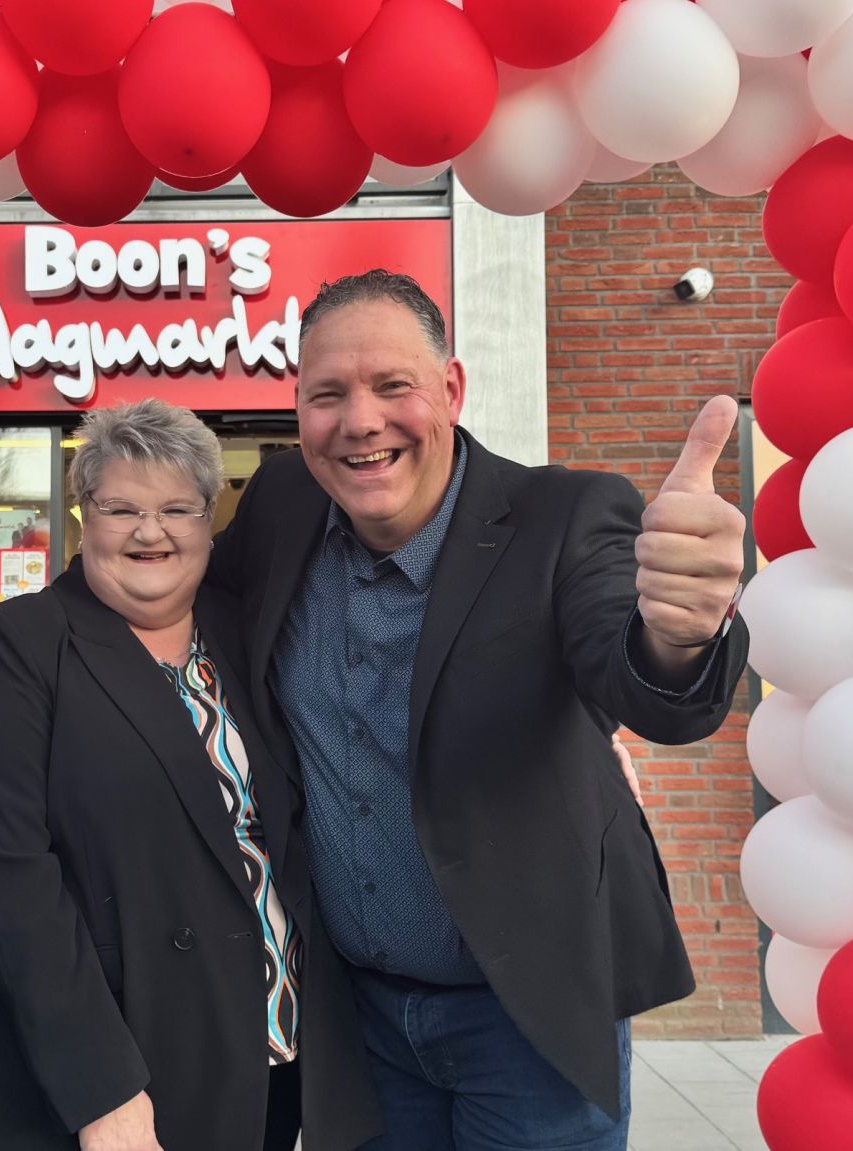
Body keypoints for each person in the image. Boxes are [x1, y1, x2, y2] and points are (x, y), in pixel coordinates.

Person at [207, 270, 751, 1151]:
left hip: (528, 1018)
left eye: (394, 386)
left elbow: (641, 679)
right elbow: (177, 612)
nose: (360, 422)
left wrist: (682, 633)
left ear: (451, 391)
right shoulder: (279, 506)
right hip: (359, 1024)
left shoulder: (563, 516)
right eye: (327, 395)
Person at [0, 399, 380, 1151]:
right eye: (120, 507)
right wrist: (102, 1089)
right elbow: (12, 882)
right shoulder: (25, 643)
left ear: (207, 518)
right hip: (125, 1071)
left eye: (177, 508)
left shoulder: (245, 628)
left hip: (271, 1055)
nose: (149, 531)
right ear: (83, 512)